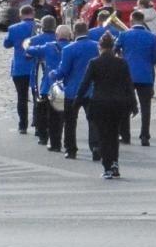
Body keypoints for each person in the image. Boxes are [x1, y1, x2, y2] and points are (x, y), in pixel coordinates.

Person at [77, 33, 134, 179]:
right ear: (113, 47)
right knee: (114, 135)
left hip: (100, 102)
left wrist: (77, 100)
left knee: (103, 136)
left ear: (99, 47)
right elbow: (128, 85)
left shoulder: (94, 62)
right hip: (117, 103)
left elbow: (85, 83)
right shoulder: (122, 63)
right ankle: (114, 162)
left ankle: (107, 166)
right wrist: (133, 104)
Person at [51, 21, 101, 160]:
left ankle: (70, 149)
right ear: (87, 31)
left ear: (74, 33)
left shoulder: (69, 49)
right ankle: (96, 146)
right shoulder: (96, 46)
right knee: (93, 121)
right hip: (92, 90)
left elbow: (64, 70)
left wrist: (54, 74)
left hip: (72, 91)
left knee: (70, 122)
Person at [116, 10, 156, 146]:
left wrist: (122, 57)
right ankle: (145, 136)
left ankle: (125, 135)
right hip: (146, 75)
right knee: (146, 107)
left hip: (127, 75)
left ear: (131, 20)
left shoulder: (124, 35)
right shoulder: (152, 37)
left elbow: (115, 49)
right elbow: (154, 59)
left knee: (124, 105)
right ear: (143, 21)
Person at [29, 21, 67, 153]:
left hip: (49, 85)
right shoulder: (72, 46)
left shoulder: (49, 47)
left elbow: (29, 50)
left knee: (45, 115)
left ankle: (44, 138)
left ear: (57, 35)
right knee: (67, 118)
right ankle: (66, 143)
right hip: (68, 87)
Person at [24, 15, 60, 147]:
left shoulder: (34, 40)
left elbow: (27, 55)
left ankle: (40, 130)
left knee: (39, 105)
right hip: (58, 77)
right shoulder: (59, 38)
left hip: (40, 75)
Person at [2, 4, 38, 133]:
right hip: (36, 66)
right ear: (33, 14)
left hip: (20, 66)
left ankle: (23, 125)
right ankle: (37, 121)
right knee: (37, 96)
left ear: (20, 15)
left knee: (21, 97)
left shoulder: (14, 28)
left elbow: (6, 44)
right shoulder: (38, 27)